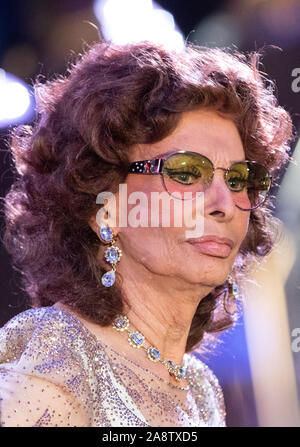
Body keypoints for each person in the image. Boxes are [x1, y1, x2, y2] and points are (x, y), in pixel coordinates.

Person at [0, 40, 293, 427]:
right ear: (105, 206)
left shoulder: (201, 388)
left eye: (240, 178)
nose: (225, 202)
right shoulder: (57, 360)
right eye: (187, 172)